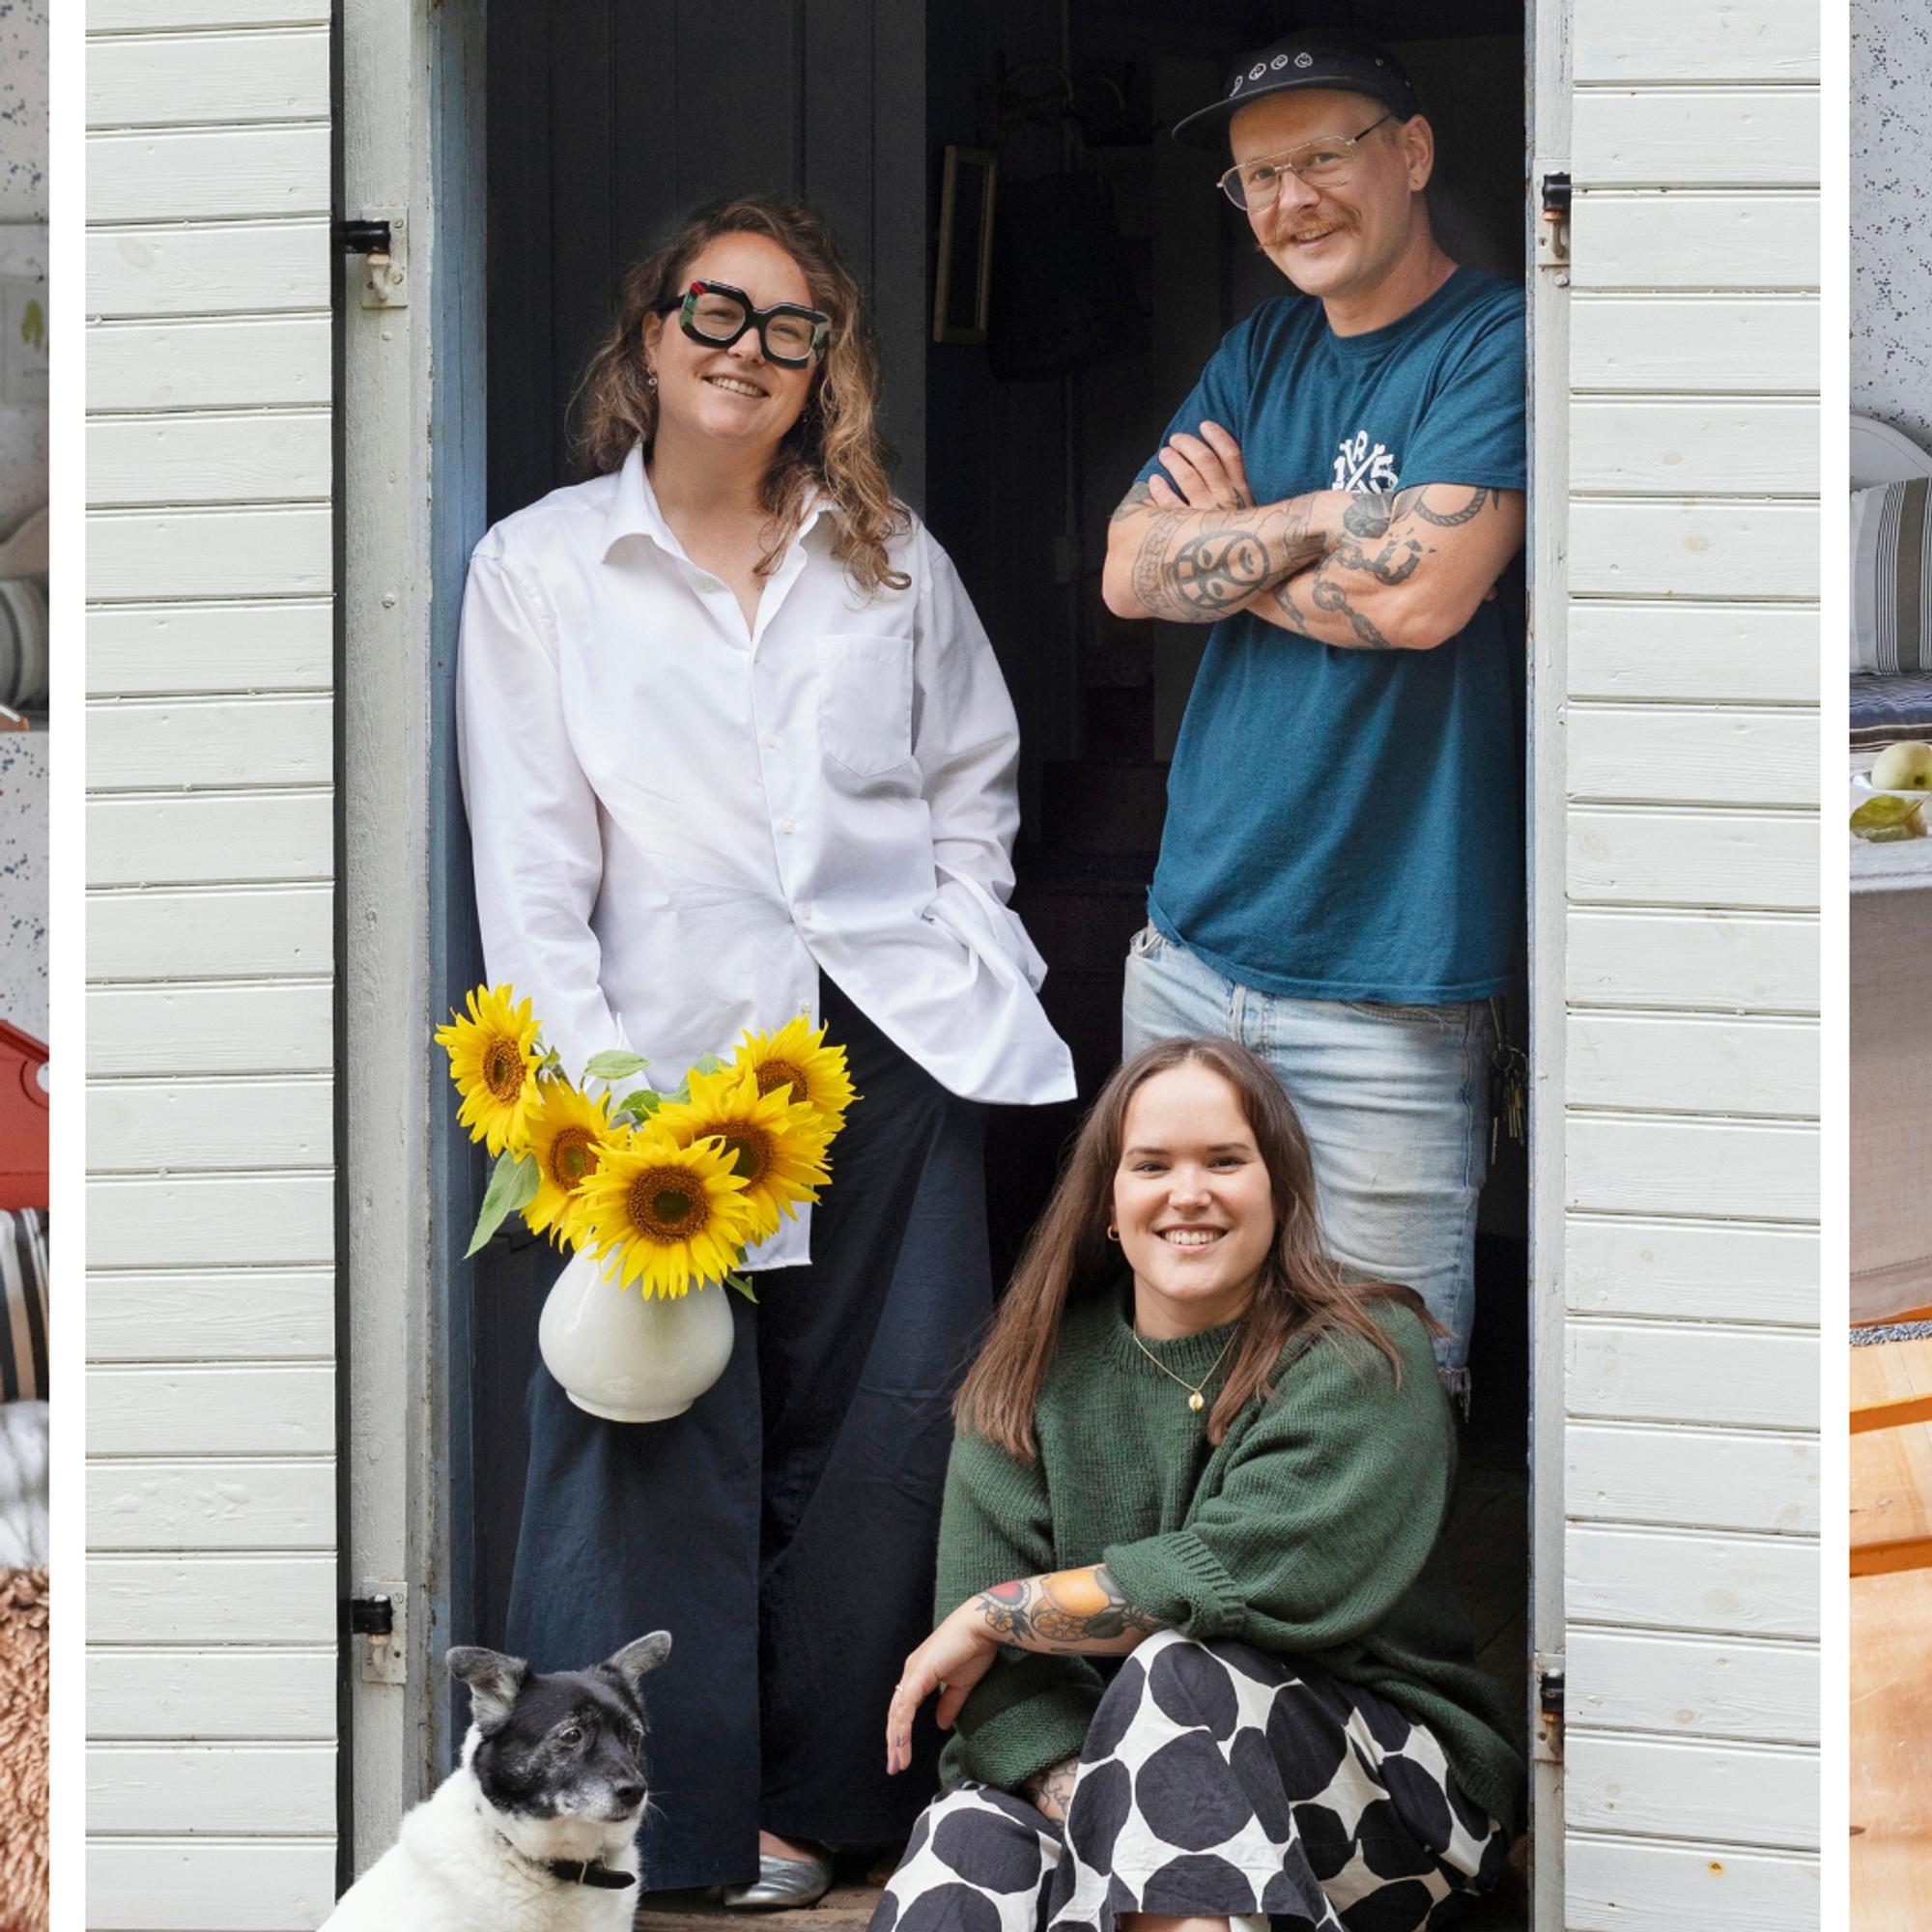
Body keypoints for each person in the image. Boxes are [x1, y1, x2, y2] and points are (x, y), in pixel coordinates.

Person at [456, 195, 1075, 1904]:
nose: (747, 350)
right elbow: (532, 865)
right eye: (714, 313)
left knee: (892, 1435)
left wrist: (974, 953)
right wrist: (600, 1104)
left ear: (825, 369)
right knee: (645, 1435)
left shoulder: (888, 557)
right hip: (667, 1071)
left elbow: (976, 784)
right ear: (648, 337)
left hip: (890, 1045)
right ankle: (634, 1835)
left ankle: (823, 1812)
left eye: (789, 327)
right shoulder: (540, 571)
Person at [1101, 30, 1528, 1395]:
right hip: (1194, 953)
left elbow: (1422, 604)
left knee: (1380, 1388)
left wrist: (1228, 553)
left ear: (1409, 153)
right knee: (1185, 1371)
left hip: (1389, 985)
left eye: (1322, 159)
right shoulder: (1258, 351)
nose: (1290, 203)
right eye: (1257, 178)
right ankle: (1185, 1620)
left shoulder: (1500, 343)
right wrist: (1328, 521)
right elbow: (1126, 570)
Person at [874, 1036, 1523, 1932]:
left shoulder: (1363, 1353)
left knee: (1176, 1675)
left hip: (1390, 1809)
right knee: (964, 1840)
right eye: (1152, 1165)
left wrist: (994, 1612)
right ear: (1109, 1200)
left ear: (1280, 1189)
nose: (1189, 1193)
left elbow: (1246, 1573)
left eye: (1225, 1160)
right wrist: (1107, 1816)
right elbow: (1000, 1692)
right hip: (1124, 1805)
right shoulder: (1027, 1374)